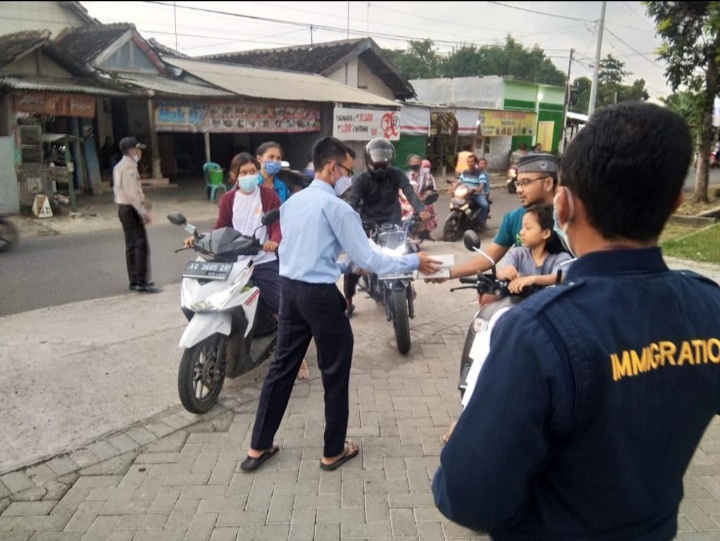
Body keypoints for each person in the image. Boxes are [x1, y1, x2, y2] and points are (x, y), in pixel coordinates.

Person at [432, 102, 720, 541]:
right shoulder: (708, 307)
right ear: (675, 203)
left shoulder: (535, 332)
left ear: (562, 204)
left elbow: (467, 497)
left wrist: (462, 442)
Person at [240, 136, 441, 473]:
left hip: (290, 291)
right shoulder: (338, 208)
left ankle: (258, 447)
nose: (349, 176)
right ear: (333, 168)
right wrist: (412, 261)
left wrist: (344, 266)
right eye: (348, 170)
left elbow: (314, 250)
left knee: (281, 367)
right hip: (319, 297)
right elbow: (369, 258)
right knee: (334, 371)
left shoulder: (293, 203)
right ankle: (333, 451)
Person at [440, 203, 572, 445]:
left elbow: (565, 274)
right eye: (522, 228)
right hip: (514, 317)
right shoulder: (519, 254)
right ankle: (466, 415)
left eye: (528, 228)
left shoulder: (559, 259)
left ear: (546, 232)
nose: (521, 232)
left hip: (548, 323)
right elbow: (503, 269)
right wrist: (506, 272)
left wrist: (534, 279)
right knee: (483, 340)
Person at [183, 153, 311, 381]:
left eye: (252, 171)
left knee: (282, 309)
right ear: (234, 175)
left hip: (263, 260)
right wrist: (200, 238)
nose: (249, 176)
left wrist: (274, 241)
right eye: (244, 172)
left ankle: (298, 358)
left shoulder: (268, 196)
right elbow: (221, 227)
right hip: (234, 262)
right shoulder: (228, 199)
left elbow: (277, 224)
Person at [343, 138, 429, 318]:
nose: (381, 161)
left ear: (391, 158)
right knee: (353, 264)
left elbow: (409, 191)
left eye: (384, 157)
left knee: (411, 249)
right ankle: (348, 301)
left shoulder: (396, 175)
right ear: (369, 159)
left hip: (394, 224)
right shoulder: (361, 179)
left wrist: (421, 209)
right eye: (377, 157)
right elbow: (353, 201)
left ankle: (407, 282)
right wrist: (349, 217)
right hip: (368, 226)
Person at [442, 153, 561, 281]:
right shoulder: (513, 218)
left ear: (548, 183)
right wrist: (448, 273)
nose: (519, 190)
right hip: (520, 290)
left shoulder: (569, 219)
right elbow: (488, 258)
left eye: (525, 183)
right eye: (518, 184)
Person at [113, 137, 159, 294]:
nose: (140, 152)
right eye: (138, 149)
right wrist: (143, 213)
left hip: (124, 208)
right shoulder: (128, 168)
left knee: (131, 245)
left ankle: (135, 281)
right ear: (132, 151)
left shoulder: (120, 166)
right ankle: (141, 281)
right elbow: (132, 195)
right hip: (131, 208)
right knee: (140, 245)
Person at [406, 156, 438, 239]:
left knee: (426, 212)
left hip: (424, 199)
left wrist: (425, 197)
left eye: (417, 162)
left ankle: (425, 232)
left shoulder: (427, 175)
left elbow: (431, 188)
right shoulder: (407, 175)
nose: (415, 164)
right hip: (409, 199)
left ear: (420, 163)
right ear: (409, 163)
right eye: (413, 162)